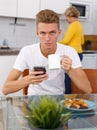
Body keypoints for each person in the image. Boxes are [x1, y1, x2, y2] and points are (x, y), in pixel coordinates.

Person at [2, 9, 92, 95]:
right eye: (43, 33)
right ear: (37, 33)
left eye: (52, 33)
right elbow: (5, 89)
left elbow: (87, 89)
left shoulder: (69, 51)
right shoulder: (27, 51)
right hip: (34, 99)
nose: (47, 39)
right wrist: (28, 79)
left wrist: (70, 71)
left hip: (58, 99)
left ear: (59, 32)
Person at [59, 7, 84, 94]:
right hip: (78, 53)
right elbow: (82, 41)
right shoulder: (79, 25)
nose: (66, 19)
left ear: (70, 15)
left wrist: (55, 44)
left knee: (67, 76)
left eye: (66, 17)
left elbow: (66, 40)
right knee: (70, 76)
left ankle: (67, 97)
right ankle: (69, 97)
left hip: (73, 54)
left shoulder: (73, 25)